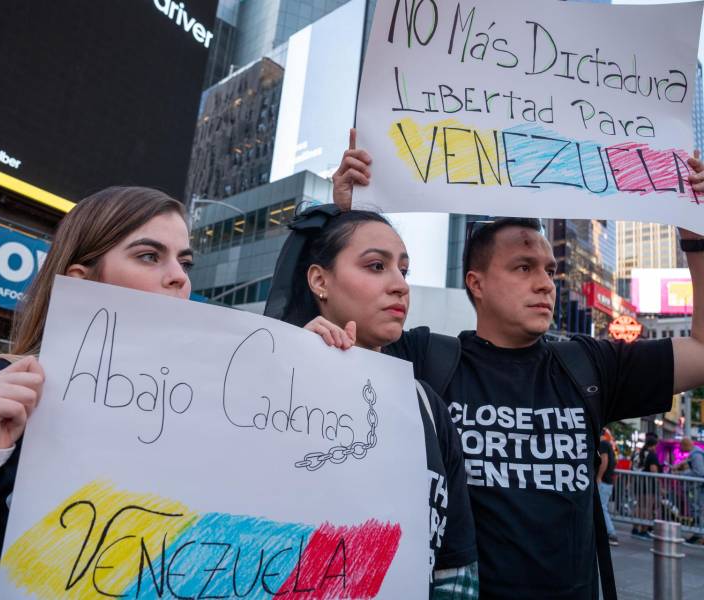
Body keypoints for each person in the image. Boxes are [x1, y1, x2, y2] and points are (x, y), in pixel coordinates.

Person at [328, 129, 704, 599]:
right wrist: (345, 214)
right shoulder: (425, 359)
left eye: (549, 269)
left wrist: (696, 239)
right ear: (476, 283)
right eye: (524, 268)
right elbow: (333, 329)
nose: (545, 283)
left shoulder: (590, 364)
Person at [0, 186, 194, 599]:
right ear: (82, 281)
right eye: (149, 256)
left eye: (185, 261)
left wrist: (294, 371)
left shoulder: (195, 409)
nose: (179, 276)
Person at [265, 204, 479, 599]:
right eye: (376, 266)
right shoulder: (270, 388)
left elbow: (455, 568)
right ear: (319, 281)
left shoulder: (428, 407)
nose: (400, 284)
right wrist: (290, 360)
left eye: (404, 269)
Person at [673, 437, 704, 545]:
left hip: (697, 489)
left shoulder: (696, 455)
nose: (680, 448)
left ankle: (699, 535)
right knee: (697, 510)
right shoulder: (695, 454)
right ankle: (698, 534)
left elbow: (699, 472)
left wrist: (682, 474)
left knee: (697, 510)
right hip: (696, 489)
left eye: (681, 446)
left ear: (685, 445)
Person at [597, 429, 618, 546]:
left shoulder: (603, 444)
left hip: (604, 481)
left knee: (602, 507)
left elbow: (604, 461)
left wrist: (598, 477)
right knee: (601, 507)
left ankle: (611, 533)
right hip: (606, 481)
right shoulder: (606, 444)